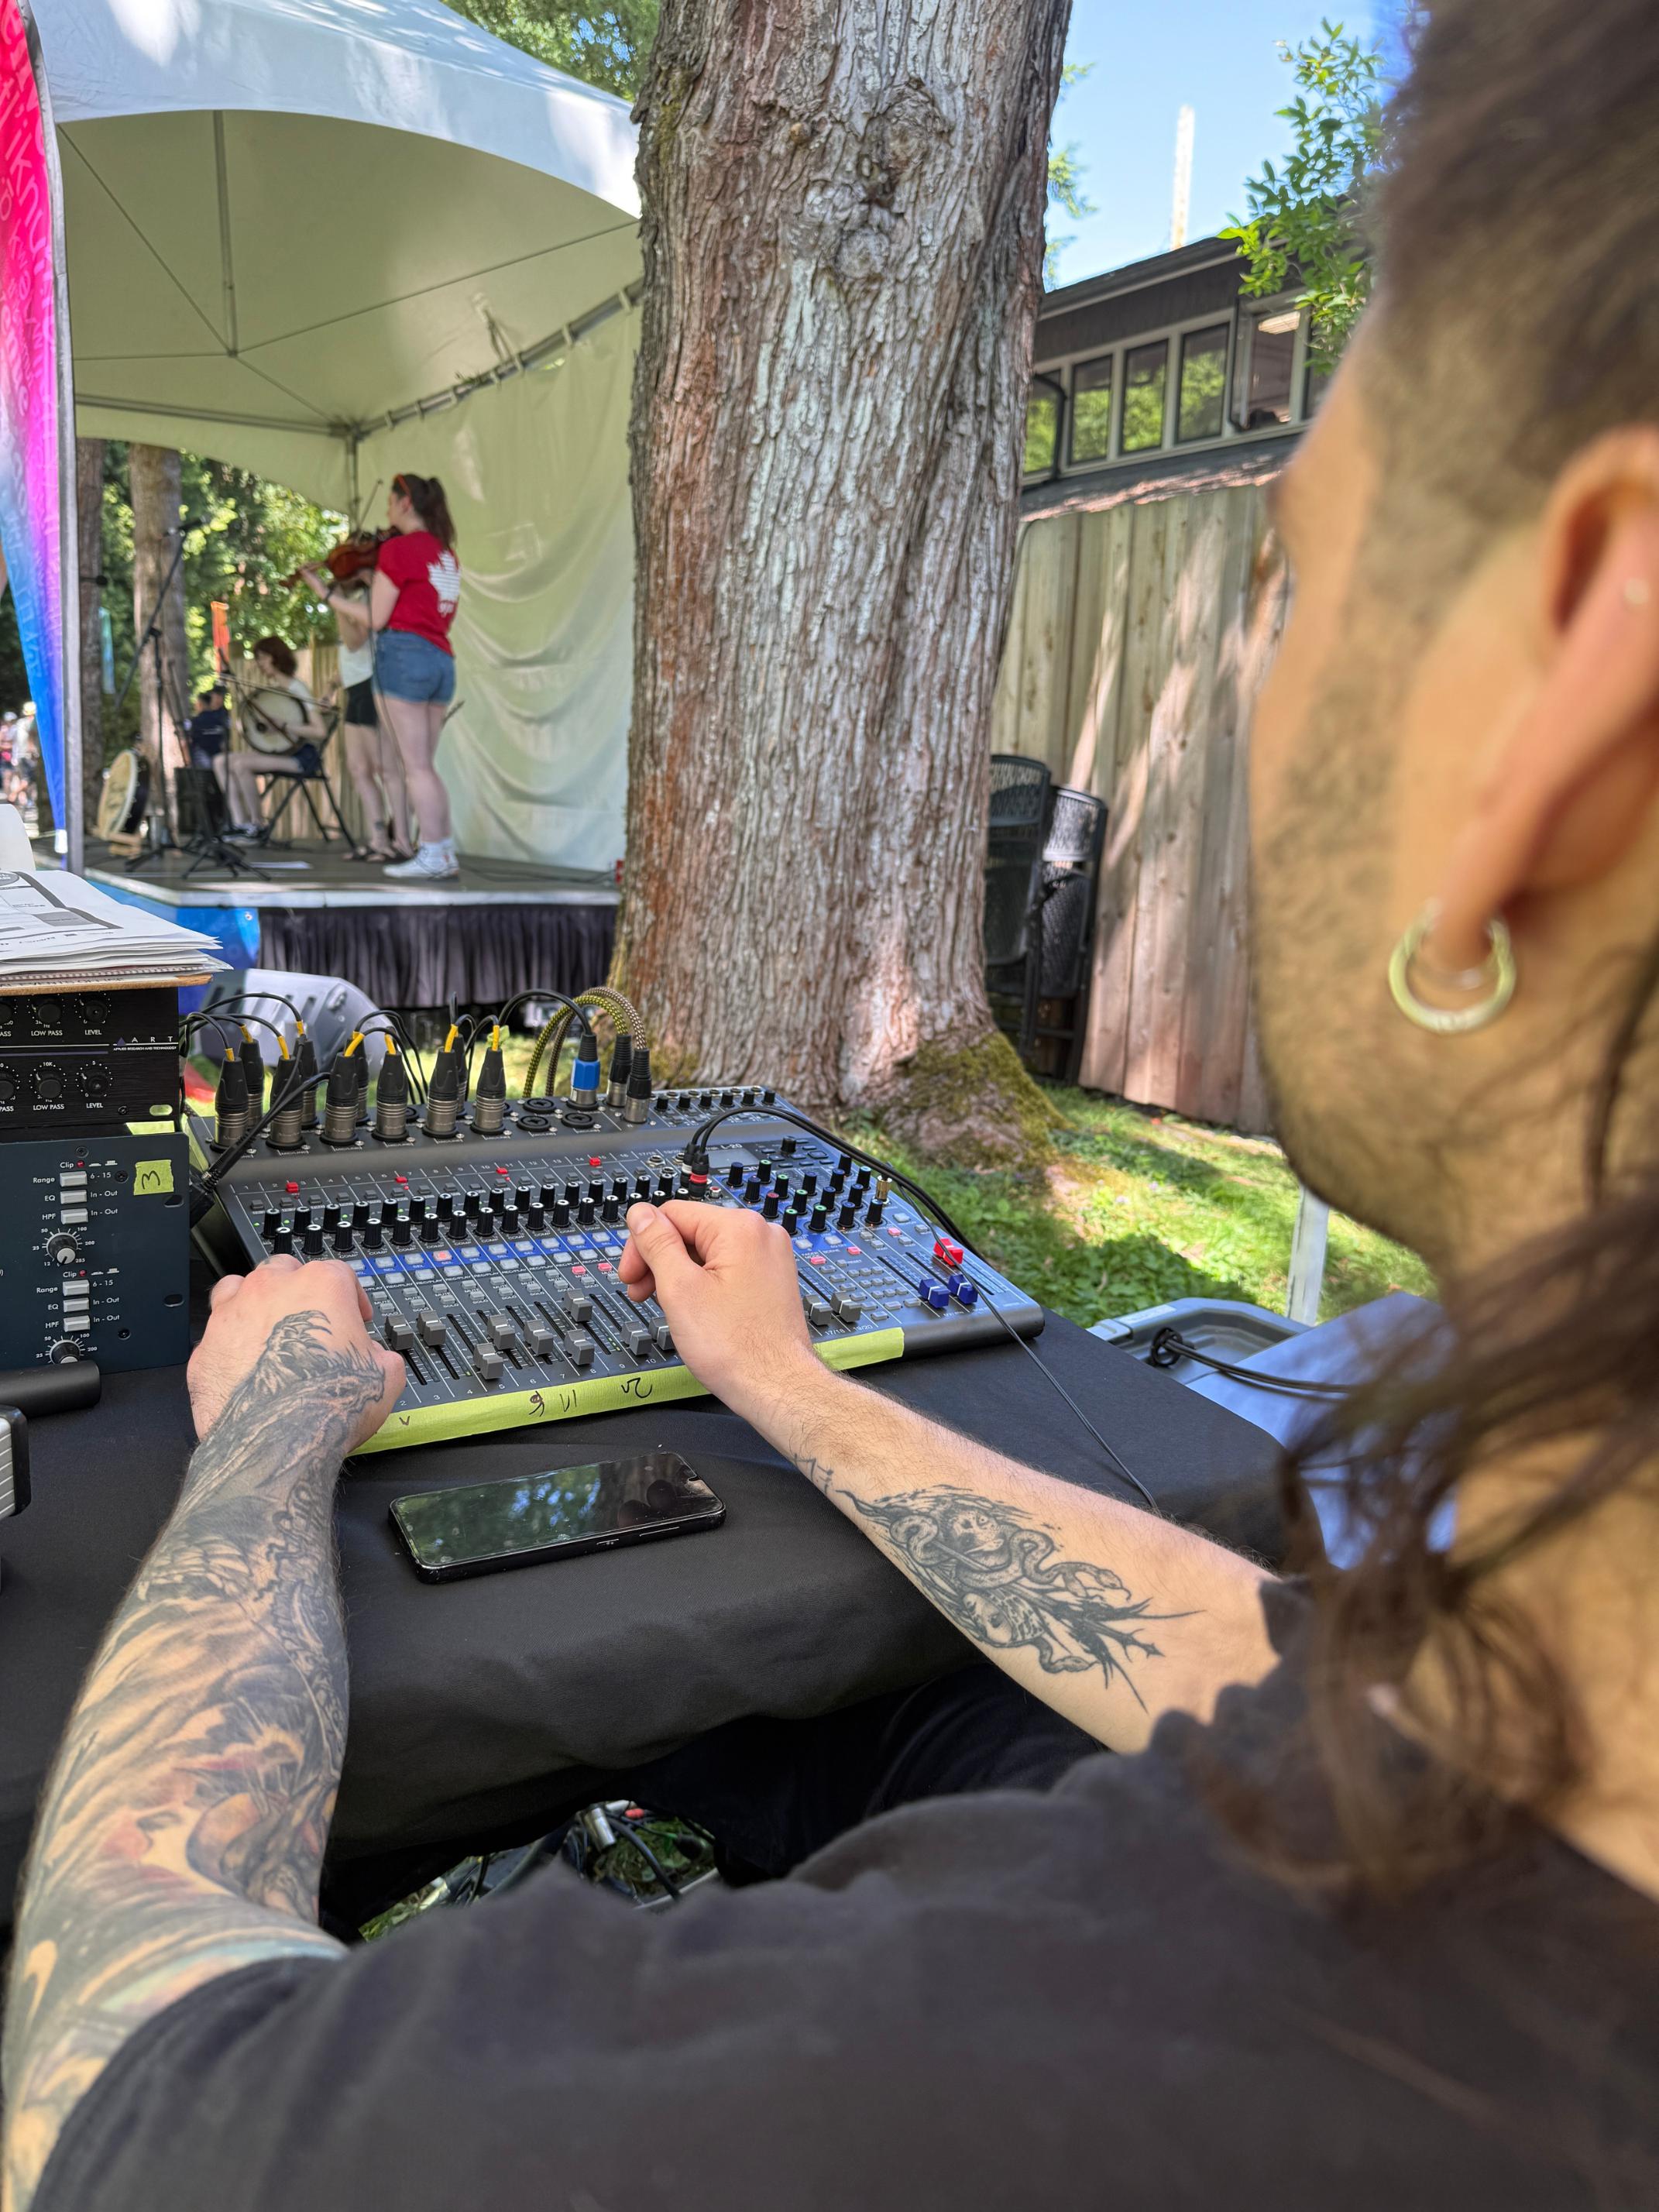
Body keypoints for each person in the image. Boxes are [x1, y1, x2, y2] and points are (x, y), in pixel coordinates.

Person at [8, 5, 1659, 2207]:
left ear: (1562, 684)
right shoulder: (1552, 1741)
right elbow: (1307, 1684)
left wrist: (283, 1426)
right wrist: (800, 1392)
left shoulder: (976, 2089)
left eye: (1292, 583)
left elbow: (113, 2069)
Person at [371, 471, 462, 882]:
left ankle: (431, 851)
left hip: (405, 656)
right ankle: (442, 852)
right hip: (441, 658)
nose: (387, 511)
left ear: (405, 503)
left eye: (390, 503)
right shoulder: (445, 553)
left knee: (416, 767)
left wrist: (329, 595)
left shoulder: (398, 549)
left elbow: (376, 618)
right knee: (426, 766)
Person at [301, 567, 412, 862]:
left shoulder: (369, 598)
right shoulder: (352, 601)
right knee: (359, 768)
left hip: (374, 685)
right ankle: (378, 839)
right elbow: (350, 658)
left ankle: (402, 841)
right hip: (355, 689)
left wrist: (334, 602)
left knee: (386, 768)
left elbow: (355, 641)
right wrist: (330, 688)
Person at [222, 637, 327, 840]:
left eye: (262, 658)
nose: (259, 664)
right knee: (221, 762)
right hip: (283, 753)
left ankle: (257, 824)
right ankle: (239, 823)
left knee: (240, 764)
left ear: (276, 658)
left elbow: (319, 731)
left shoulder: (298, 689)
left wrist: (285, 726)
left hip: (303, 757)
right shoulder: (273, 691)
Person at [181, 685, 231, 784]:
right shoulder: (224, 718)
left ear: (200, 704)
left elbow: (185, 743)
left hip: (201, 768)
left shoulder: (193, 722)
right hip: (223, 764)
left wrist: (188, 764)